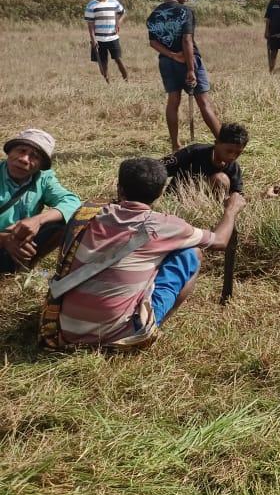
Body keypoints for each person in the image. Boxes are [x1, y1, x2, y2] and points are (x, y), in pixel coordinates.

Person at [53, 158, 245, 349]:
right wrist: (231, 210)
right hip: (121, 336)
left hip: (65, 329)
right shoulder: (166, 225)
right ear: (161, 192)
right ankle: (148, 329)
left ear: (119, 188)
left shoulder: (90, 213)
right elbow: (220, 241)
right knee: (190, 254)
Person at [147, 0, 222, 151]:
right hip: (189, 60)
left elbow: (153, 43)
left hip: (166, 62)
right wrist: (190, 68)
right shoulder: (184, 11)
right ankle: (221, 140)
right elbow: (187, 41)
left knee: (173, 101)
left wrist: (172, 55)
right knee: (203, 101)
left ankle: (175, 144)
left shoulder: (154, 15)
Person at [0, 129, 81, 274]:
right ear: (9, 152)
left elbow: (72, 202)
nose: (24, 159)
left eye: (34, 156)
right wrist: (4, 240)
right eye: (21, 150)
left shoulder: (43, 179)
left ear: (40, 165)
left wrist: (38, 220)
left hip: (22, 244)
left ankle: (25, 266)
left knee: (67, 222)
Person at [162, 122, 247, 197]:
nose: (232, 156)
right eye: (229, 151)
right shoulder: (193, 153)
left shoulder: (233, 167)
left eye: (238, 153)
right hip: (177, 198)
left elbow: (237, 194)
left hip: (207, 205)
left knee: (221, 180)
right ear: (216, 143)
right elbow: (158, 168)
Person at [85, 0, 128, 83]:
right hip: (99, 39)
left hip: (113, 37)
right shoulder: (91, 5)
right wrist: (93, 39)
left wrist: (118, 22)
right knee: (103, 62)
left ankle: (126, 80)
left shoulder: (114, 2)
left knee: (118, 59)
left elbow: (123, 12)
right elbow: (90, 24)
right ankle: (108, 82)